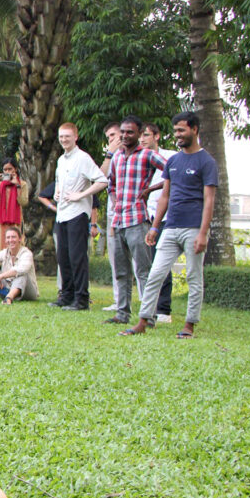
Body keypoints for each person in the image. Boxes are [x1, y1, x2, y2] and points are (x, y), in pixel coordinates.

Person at [120, 111, 217, 339]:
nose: (178, 135)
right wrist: (154, 227)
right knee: (155, 274)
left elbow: (210, 200)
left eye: (182, 130)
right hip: (170, 227)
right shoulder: (173, 161)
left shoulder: (206, 162)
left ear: (195, 129)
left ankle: (189, 325)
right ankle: (143, 321)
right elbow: (165, 195)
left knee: (194, 276)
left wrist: (203, 233)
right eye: (175, 131)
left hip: (194, 228)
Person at [105, 115, 165, 324]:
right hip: (119, 221)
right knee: (121, 272)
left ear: (139, 134)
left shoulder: (148, 155)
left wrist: (152, 188)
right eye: (122, 131)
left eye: (130, 132)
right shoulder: (117, 157)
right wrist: (114, 201)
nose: (125, 135)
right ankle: (122, 314)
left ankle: (149, 316)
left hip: (138, 221)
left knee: (143, 271)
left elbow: (172, 172)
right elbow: (110, 184)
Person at [52, 122, 107, 311]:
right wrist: (57, 192)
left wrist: (82, 195)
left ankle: (81, 299)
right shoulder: (61, 160)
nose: (64, 140)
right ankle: (66, 295)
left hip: (78, 214)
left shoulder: (83, 158)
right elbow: (59, 180)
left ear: (76, 137)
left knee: (77, 257)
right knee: (63, 257)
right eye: (61, 136)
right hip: (62, 214)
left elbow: (102, 180)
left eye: (67, 136)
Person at [139, 122, 175, 324]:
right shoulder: (140, 159)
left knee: (161, 263)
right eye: (141, 136)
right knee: (147, 263)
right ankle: (149, 304)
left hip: (165, 217)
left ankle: (163, 309)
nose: (143, 139)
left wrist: (150, 189)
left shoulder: (169, 157)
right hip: (145, 216)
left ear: (157, 136)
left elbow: (172, 177)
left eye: (146, 135)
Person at [0, 227, 38, 304]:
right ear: (5, 240)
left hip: (27, 292)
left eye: (13, 237)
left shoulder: (27, 253)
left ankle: (9, 298)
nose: (10, 240)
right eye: (8, 237)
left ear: (20, 239)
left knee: (21, 274)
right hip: (7, 288)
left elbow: (21, 270)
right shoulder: (4, 253)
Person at [99, 122, 122, 312]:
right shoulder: (112, 158)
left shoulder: (139, 155)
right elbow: (100, 177)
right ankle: (119, 300)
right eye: (109, 138)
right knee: (116, 259)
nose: (111, 140)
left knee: (140, 263)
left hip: (135, 214)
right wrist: (110, 153)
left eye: (113, 135)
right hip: (113, 214)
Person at [0, 157, 30, 250]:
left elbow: (23, 202)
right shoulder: (1, 184)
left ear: (15, 169)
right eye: (5, 169)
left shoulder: (23, 184)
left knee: (16, 248)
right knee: (1, 248)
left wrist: (17, 185)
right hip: (2, 222)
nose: (7, 171)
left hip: (16, 221)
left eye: (10, 169)